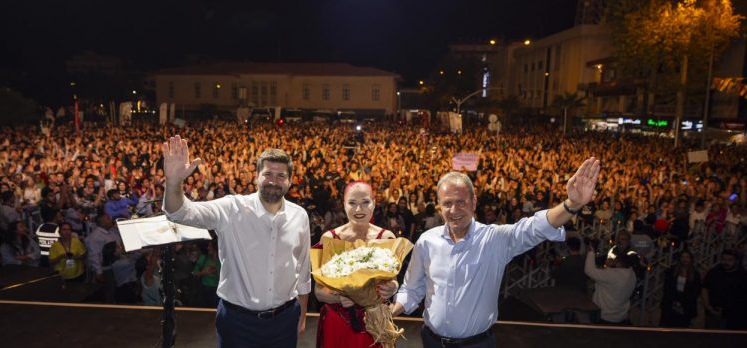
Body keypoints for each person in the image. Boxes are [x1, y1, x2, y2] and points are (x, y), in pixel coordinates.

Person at [392, 158, 600, 348]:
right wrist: (391, 312)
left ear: (473, 202)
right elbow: (411, 289)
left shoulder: (494, 240)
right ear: (439, 207)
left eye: (461, 202)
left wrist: (572, 204)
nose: (454, 210)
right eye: (447, 203)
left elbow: (534, 227)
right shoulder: (427, 241)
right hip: (431, 342)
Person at [162, 135, 310, 348]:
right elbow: (179, 213)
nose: (273, 181)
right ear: (257, 176)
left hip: (284, 320)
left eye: (281, 176)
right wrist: (174, 182)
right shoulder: (231, 209)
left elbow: (303, 271)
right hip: (237, 322)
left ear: (290, 180)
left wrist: (302, 315)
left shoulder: (300, 216)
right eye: (268, 174)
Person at [313, 182, 398, 348]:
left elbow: (393, 281)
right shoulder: (329, 239)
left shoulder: (386, 237)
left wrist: (392, 288)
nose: (359, 209)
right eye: (352, 203)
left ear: (374, 202)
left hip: (374, 323)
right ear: (343, 204)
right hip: (337, 323)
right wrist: (338, 297)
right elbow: (318, 292)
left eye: (365, 202)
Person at [585, 245, 637, 324]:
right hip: (620, 315)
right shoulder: (632, 274)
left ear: (619, 262)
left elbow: (589, 270)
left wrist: (591, 253)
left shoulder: (613, 275)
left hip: (604, 316)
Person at [702, 249, 747, 330]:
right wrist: (708, 306)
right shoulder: (714, 272)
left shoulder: (742, 276)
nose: (726, 262)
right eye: (724, 259)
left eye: (730, 260)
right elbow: (705, 288)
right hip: (713, 312)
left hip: (735, 316)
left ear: (736, 261)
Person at [660, 250, 701, 328]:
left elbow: (696, 290)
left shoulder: (695, 273)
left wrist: (683, 302)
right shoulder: (672, 271)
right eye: (682, 257)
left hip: (686, 306)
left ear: (691, 259)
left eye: (687, 257)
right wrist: (675, 301)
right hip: (671, 304)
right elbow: (667, 287)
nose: (685, 259)